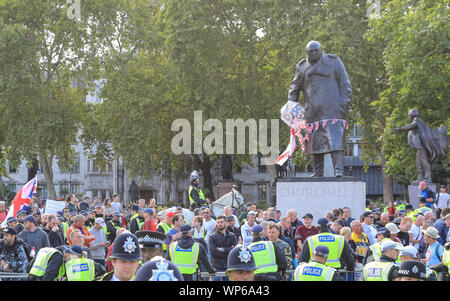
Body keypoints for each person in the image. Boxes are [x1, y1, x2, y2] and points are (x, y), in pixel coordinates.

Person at [288, 41, 351, 177]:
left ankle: (338, 171)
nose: (314, 53)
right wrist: (291, 106)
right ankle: (318, 172)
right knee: (314, 144)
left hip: (333, 110)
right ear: (306, 53)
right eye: (310, 51)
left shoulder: (334, 61)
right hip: (312, 112)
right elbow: (295, 87)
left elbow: (345, 84)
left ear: (321, 51)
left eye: (316, 50)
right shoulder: (302, 67)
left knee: (335, 141)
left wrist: (343, 105)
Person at [394, 109, 446, 183]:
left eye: (409, 115)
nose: (408, 116)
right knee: (418, 162)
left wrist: (401, 129)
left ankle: (428, 178)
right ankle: (421, 178)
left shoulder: (417, 120)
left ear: (412, 115)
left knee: (424, 161)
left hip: (422, 147)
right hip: (419, 147)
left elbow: (411, 126)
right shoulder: (418, 121)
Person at [208, 215, 237, 280]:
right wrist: (229, 250)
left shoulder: (232, 236)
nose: (219, 224)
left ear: (226, 223)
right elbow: (213, 252)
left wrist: (222, 249)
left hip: (229, 266)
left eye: (221, 222)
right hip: (216, 267)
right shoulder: (212, 236)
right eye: (218, 222)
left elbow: (234, 251)